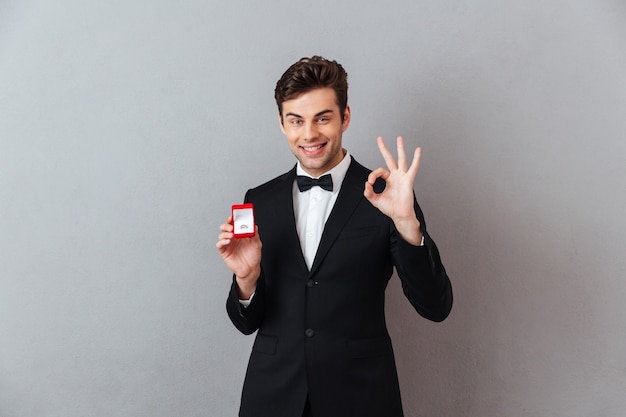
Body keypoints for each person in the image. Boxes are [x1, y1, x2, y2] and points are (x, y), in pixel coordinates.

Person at [216, 56, 453, 417]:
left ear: (345, 117)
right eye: (296, 120)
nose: (309, 134)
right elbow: (246, 323)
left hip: (362, 397)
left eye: (322, 118)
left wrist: (407, 224)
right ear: (282, 124)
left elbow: (436, 306)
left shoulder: (387, 196)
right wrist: (246, 280)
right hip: (273, 398)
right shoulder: (258, 200)